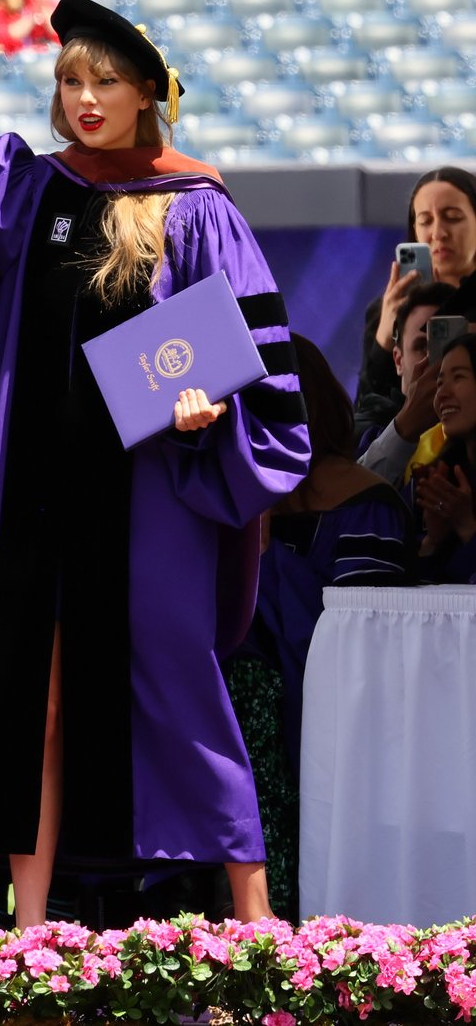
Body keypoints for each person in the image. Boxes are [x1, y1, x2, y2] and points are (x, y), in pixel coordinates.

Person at [0, 0, 310, 930]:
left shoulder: (195, 207)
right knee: (31, 706)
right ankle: (30, 927)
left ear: (148, 93)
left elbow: (248, 356)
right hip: (29, 501)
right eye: (67, 83)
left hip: (147, 502)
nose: (82, 101)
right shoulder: (32, 191)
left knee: (181, 699)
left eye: (102, 82)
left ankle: (259, 918)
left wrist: (205, 411)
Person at [225, 334, 417, 920]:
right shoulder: (233, 504)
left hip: (338, 725)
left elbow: (365, 636)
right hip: (255, 725)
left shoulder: (366, 505)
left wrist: (261, 560)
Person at [357, 166, 476, 406]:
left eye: (452, 217)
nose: (438, 233)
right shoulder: (386, 310)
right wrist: (385, 337)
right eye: (425, 221)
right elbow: (365, 412)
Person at [357, 281, 455, 486]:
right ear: (398, 360)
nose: (434, 359)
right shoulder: (363, 431)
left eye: (447, 345)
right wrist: (404, 429)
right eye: (421, 346)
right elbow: (350, 504)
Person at [413, 333, 476, 582]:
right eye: (439, 383)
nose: (443, 394)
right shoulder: (438, 478)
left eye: (458, 377)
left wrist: (466, 525)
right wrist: (433, 539)